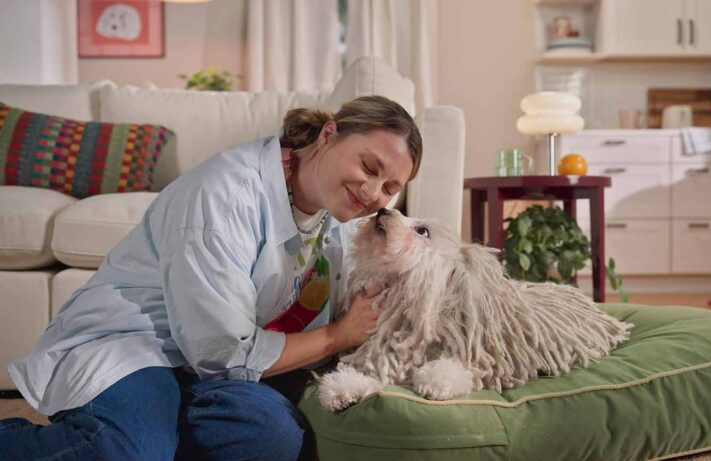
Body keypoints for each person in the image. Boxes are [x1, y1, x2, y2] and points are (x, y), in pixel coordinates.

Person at [0, 95, 423, 461]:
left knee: (271, 435)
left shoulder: (337, 211)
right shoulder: (226, 194)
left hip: (199, 368)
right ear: (329, 134)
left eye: (390, 188)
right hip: (133, 344)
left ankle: (149, 434)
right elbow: (224, 350)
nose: (372, 193)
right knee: (127, 452)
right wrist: (337, 336)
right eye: (369, 167)